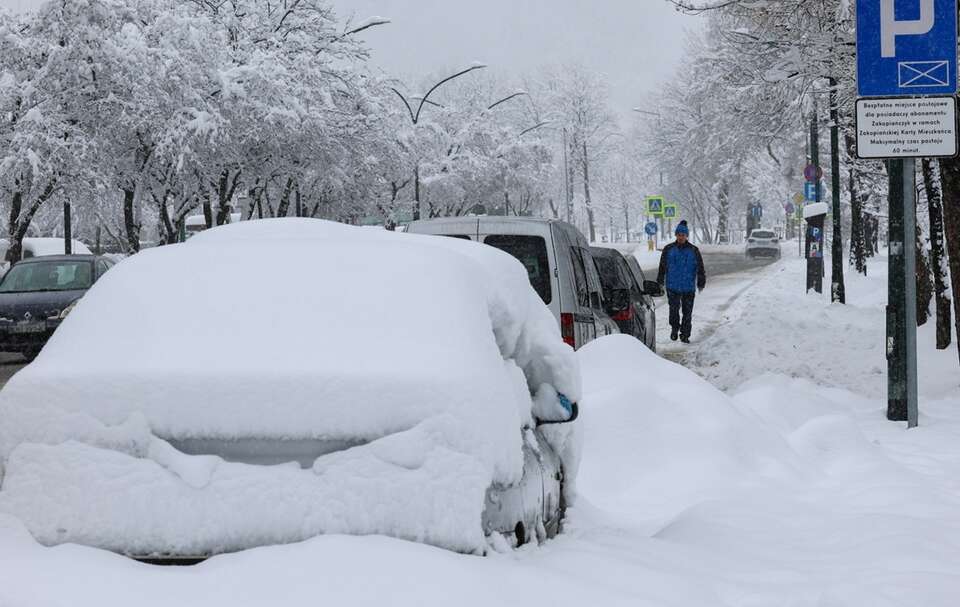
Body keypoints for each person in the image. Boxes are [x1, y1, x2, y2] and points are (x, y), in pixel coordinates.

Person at [656, 220, 706, 343]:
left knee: (687, 312)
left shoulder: (694, 250)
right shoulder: (668, 249)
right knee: (673, 310)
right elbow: (662, 266)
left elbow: (700, 268)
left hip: (688, 287)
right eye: (679, 234)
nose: (681, 237)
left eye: (683, 235)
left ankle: (685, 334)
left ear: (686, 235)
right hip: (672, 286)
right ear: (676, 235)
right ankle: (674, 328)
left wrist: (701, 282)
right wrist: (660, 281)